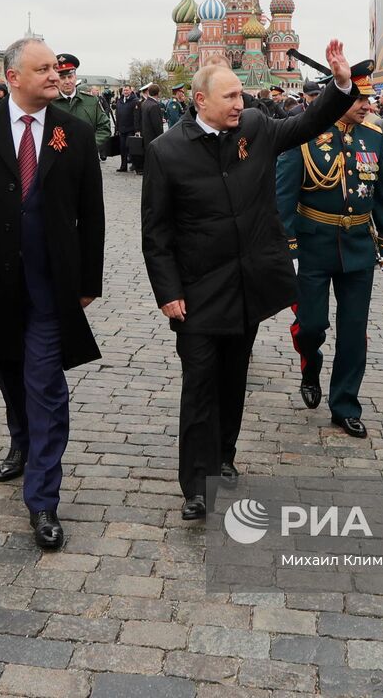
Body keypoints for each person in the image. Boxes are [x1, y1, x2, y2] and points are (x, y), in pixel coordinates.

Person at [141, 43, 356, 520]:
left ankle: (224, 455)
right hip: (197, 291)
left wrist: (340, 86)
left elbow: (306, 124)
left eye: (242, 95)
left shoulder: (256, 128)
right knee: (199, 381)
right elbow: (155, 231)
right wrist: (168, 291)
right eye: (232, 96)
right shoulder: (166, 150)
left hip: (249, 283)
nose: (242, 103)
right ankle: (195, 483)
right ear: (200, 101)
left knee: (234, 376)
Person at [0, 38, 105, 552]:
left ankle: (43, 499)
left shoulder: (72, 132)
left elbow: (91, 212)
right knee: (9, 370)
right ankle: (22, 442)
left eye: (56, 69)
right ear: (13, 77)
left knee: (47, 386)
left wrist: (88, 281)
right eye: (44, 68)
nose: (55, 76)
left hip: (52, 287)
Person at [276, 61, 383, 438]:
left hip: (358, 247)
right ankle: (309, 364)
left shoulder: (373, 138)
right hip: (313, 246)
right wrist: (289, 248)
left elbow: (380, 194)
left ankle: (345, 404)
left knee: (354, 329)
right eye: (359, 98)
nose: (366, 105)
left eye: (369, 98)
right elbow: (283, 196)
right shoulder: (306, 134)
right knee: (311, 325)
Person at [50, 53, 112, 148]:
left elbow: (104, 127)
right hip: (58, 158)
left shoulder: (91, 101)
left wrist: (90, 145)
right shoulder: (49, 103)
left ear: (75, 77)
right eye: (62, 78)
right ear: (56, 80)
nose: (67, 81)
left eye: (70, 77)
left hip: (86, 159)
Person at [114, 84, 139, 172]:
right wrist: (116, 129)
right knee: (122, 148)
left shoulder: (135, 101)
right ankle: (123, 166)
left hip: (131, 128)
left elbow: (136, 116)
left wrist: (137, 130)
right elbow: (117, 115)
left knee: (131, 148)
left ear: (131, 91)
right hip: (122, 129)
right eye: (124, 90)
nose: (125, 92)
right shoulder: (119, 101)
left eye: (127, 90)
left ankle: (135, 165)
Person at [139, 82, 165, 152]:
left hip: (146, 137)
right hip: (153, 138)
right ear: (158, 93)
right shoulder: (154, 105)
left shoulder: (145, 103)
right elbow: (156, 125)